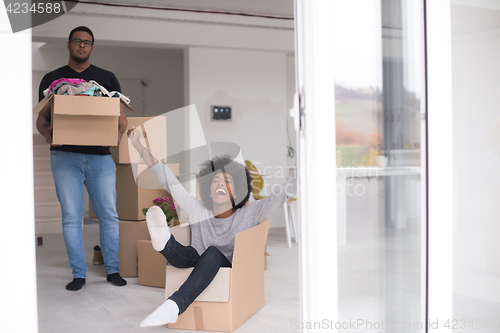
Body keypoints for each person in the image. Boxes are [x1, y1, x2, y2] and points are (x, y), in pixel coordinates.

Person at [127, 126, 297, 327]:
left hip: (224, 267)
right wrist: (138, 145)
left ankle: (174, 305)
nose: (219, 184)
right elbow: (169, 180)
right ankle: (164, 242)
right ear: (208, 190)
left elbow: (279, 195)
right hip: (195, 262)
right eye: (215, 180)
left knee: (213, 253)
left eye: (227, 181)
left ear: (238, 191)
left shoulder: (250, 213)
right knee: (190, 253)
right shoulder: (199, 211)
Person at [36, 26, 128, 291]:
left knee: (109, 215)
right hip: (65, 156)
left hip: (100, 158)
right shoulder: (52, 80)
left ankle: (113, 270)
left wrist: (114, 137)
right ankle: (79, 273)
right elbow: (42, 119)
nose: (81, 45)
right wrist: (47, 134)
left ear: (91, 47)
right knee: (71, 217)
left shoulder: (106, 79)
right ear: (68, 45)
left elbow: (121, 119)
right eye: (77, 41)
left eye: (87, 42)